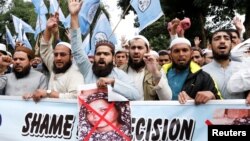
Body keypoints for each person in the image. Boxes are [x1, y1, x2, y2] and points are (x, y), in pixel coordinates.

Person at [68, 0, 140, 100]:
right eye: (99, 54)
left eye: (106, 54)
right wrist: (74, 16)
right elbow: (77, 49)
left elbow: (136, 95)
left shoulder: (119, 75)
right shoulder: (88, 70)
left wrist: (113, 82)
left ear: (113, 58)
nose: (102, 56)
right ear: (94, 56)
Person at [24, 13, 84, 102]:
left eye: (63, 54)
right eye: (56, 54)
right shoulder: (54, 66)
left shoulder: (76, 72)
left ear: (71, 57)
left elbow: (76, 97)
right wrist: (48, 29)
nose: (58, 58)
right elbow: (45, 49)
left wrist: (48, 93)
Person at [162, 37, 221, 104]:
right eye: (176, 51)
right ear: (170, 55)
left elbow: (219, 105)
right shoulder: (162, 75)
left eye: (185, 50)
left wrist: (212, 96)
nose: (181, 54)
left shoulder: (203, 77)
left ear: (191, 53)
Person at [120, 35, 172, 100]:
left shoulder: (157, 69)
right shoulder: (120, 71)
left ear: (147, 51)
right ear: (129, 50)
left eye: (140, 48)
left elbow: (166, 99)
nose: (136, 51)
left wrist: (155, 73)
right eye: (133, 48)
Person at [203, 29, 244, 99]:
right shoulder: (202, 72)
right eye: (217, 39)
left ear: (231, 44)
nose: (222, 41)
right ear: (210, 46)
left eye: (226, 38)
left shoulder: (244, 69)